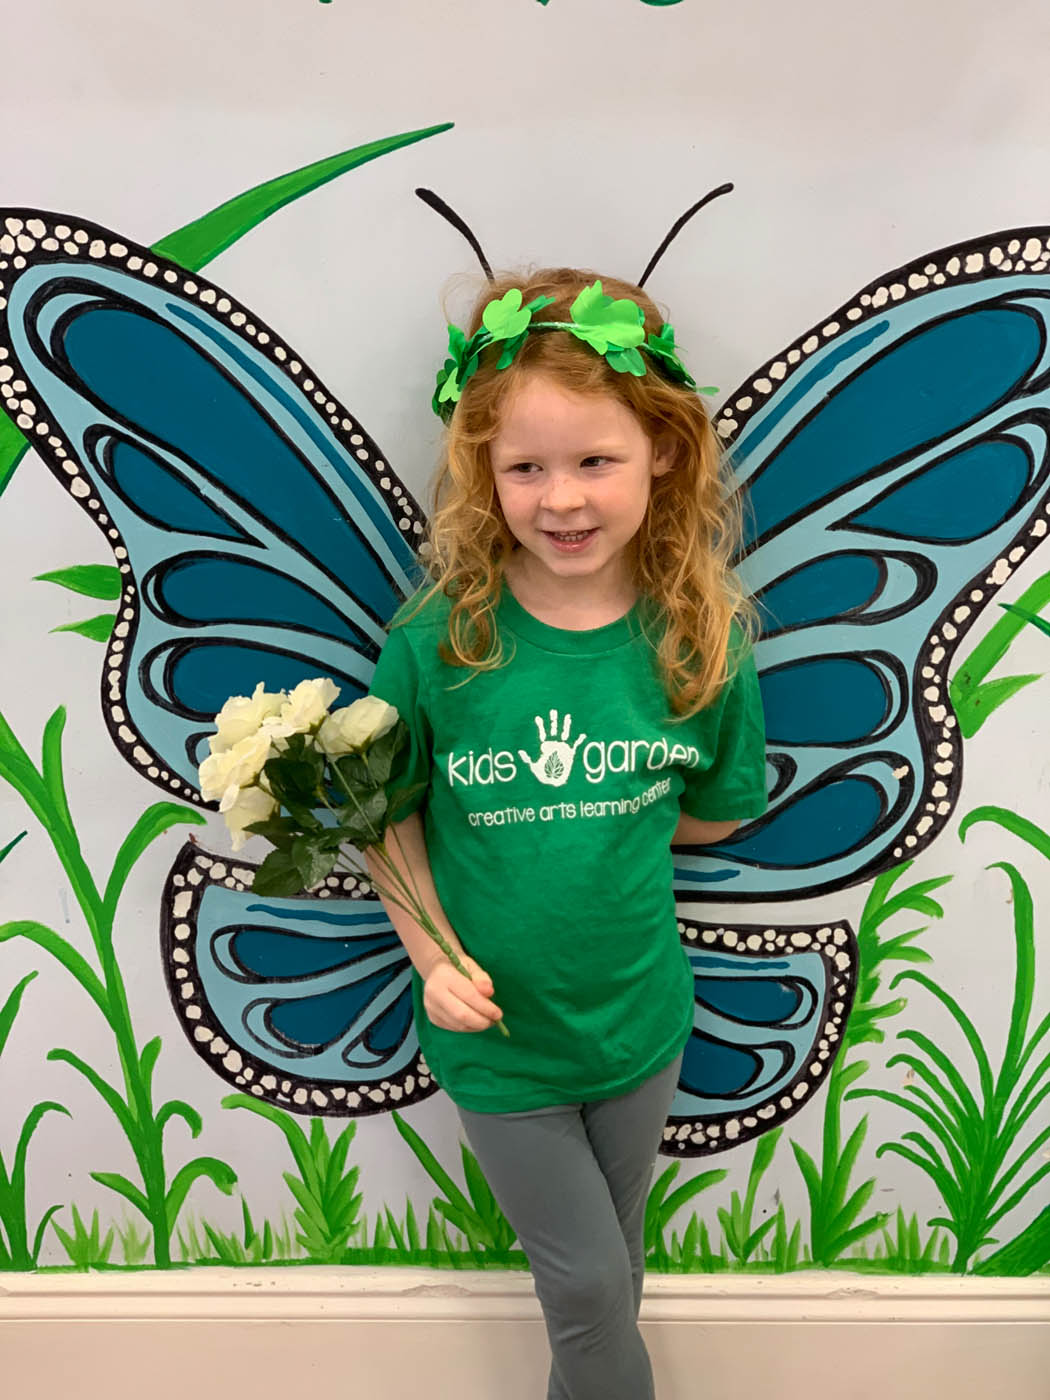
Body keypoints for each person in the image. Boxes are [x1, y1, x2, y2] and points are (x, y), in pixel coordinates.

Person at [364, 267, 768, 1400]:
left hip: (641, 1023)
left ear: (664, 454)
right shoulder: (442, 641)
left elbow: (723, 806)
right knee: (588, 1283)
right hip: (500, 1039)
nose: (562, 497)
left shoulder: (706, 638)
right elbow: (383, 815)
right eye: (526, 466)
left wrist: (609, 818)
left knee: (614, 1276)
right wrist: (432, 958)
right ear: (484, 475)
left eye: (596, 460)